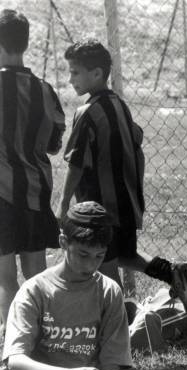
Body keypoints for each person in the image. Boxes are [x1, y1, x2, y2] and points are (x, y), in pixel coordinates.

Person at [57, 40, 187, 315]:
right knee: (124, 254)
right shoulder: (119, 105)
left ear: (96, 73)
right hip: (126, 200)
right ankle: (171, 272)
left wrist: (63, 204)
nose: (70, 79)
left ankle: (116, 327)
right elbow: (137, 136)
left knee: (105, 265)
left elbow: (75, 162)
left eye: (75, 72)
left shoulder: (87, 113)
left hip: (100, 207)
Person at [2, 202, 142, 370]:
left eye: (99, 256)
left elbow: (113, 360)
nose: (90, 265)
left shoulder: (108, 291)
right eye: (83, 255)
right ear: (63, 242)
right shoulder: (35, 291)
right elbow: (16, 361)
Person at [0, 9, 65, 327]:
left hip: (2, 194)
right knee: (36, 275)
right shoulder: (45, 90)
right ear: (25, 43)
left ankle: (13, 347)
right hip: (36, 192)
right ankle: (43, 337)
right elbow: (54, 143)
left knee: (6, 280)